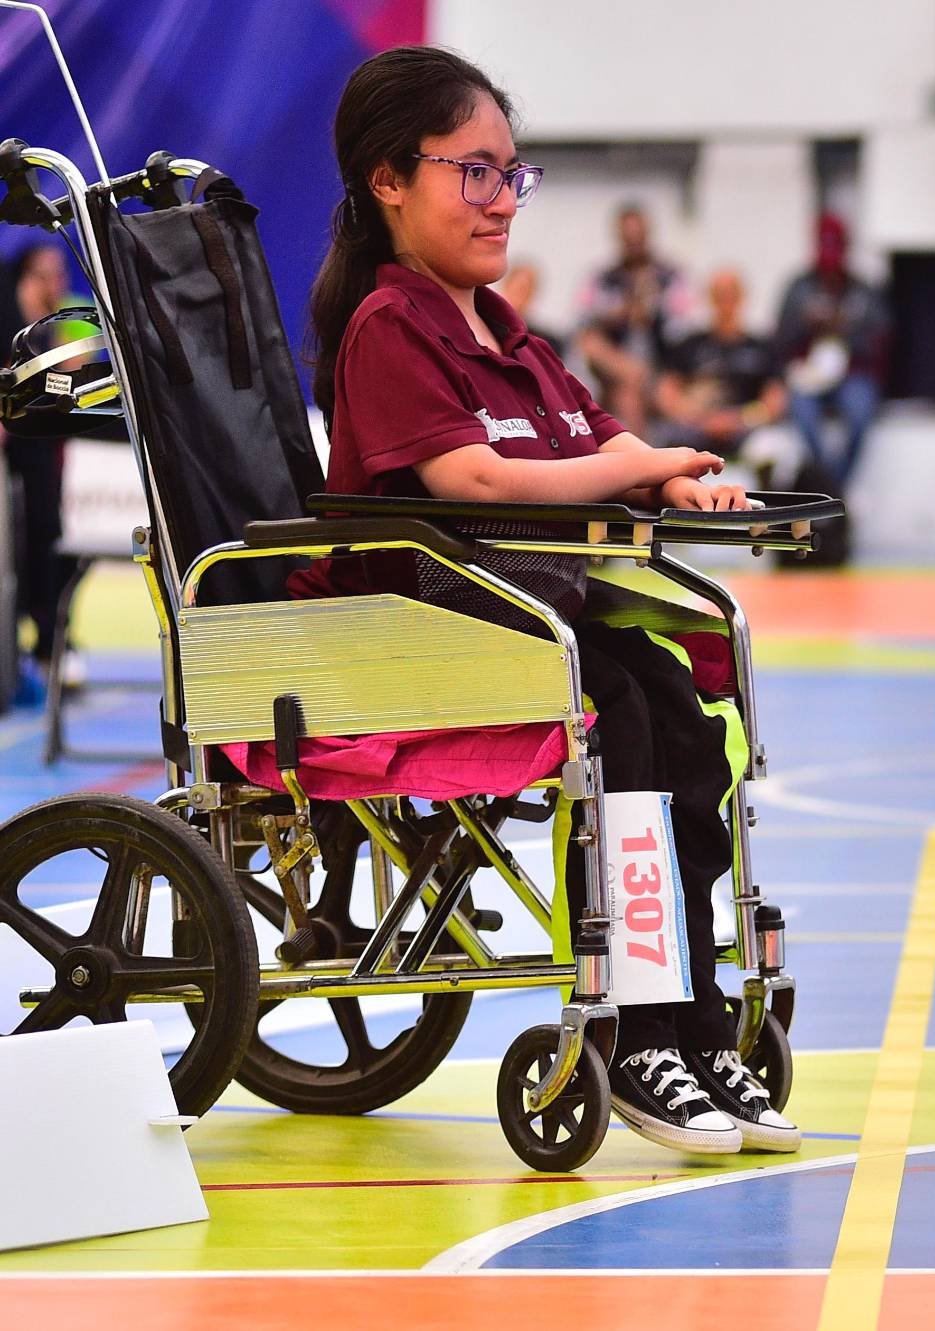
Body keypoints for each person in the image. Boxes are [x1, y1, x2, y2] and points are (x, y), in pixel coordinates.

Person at [297, 46, 800, 1155]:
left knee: (682, 719)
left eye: (510, 174)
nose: (497, 201)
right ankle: (633, 1026)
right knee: (618, 719)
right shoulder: (391, 325)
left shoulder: (503, 329)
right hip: (430, 633)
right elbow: (470, 480)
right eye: (471, 172)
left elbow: (596, 435)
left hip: (534, 623)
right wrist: (639, 463)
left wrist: (670, 469)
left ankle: (692, 1015)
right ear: (389, 179)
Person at [1, 243, 83, 704]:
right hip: (15, 461)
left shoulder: (60, 321)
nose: (61, 283)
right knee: (23, 549)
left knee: (53, 544)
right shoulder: (8, 320)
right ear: (28, 275)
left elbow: (67, 383)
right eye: (51, 274)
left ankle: (52, 645)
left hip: (46, 452)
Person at [774, 213, 888, 487]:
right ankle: (829, 484)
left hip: (852, 373)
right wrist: (808, 326)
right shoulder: (798, 288)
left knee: (860, 415)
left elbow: (881, 338)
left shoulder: (862, 291)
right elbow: (781, 338)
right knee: (803, 415)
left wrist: (845, 331)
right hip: (807, 373)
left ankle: (833, 486)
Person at [654, 267, 786, 459]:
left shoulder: (762, 347)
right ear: (709, 298)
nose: (725, 301)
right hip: (696, 426)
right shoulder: (689, 345)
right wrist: (700, 419)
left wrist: (739, 419)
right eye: (719, 295)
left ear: (742, 297)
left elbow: (774, 400)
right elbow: (667, 394)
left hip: (746, 428)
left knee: (771, 450)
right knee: (669, 446)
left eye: (730, 294)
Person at [575, 204, 684, 431]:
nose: (633, 242)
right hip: (615, 370)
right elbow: (582, 324)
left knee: (633, 395)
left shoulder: (670, 276)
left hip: (662, 366)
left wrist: (652, 312)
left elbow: (684, 327)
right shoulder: (603, 279)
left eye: (638, 235)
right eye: (627, 236)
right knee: (594, 345)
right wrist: (621, 314)